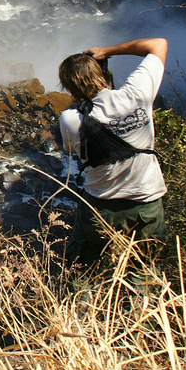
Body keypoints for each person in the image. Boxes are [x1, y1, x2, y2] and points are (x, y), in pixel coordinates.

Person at [58, 37, 168, 265]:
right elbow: (158, 44)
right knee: (145, 271)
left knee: (86, 267)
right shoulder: (137, 94)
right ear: (101, 75)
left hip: (101, 205)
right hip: (145, 202)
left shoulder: (70, 119)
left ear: (69, 88)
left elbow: (73, 149)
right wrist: (106, 50)